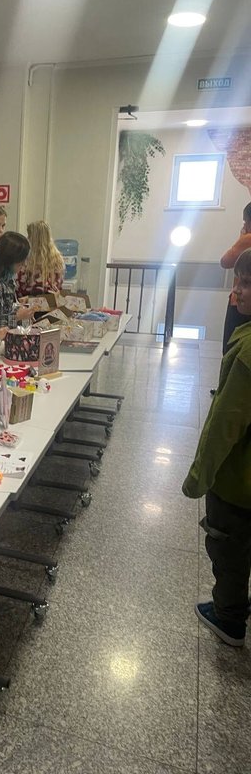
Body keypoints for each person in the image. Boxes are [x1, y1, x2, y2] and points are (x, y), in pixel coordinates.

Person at [182, 248, 251, 647]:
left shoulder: (247, 352)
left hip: (237, 482)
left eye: (245, 284)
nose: (235, 291)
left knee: (228, 547)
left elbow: (225, 424)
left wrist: (199, 476)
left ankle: (229, 618)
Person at [0, 231, 36, 334]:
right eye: (21, 262)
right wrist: (16, 316)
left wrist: (21, 311)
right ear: (9, 260)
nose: (24, 265)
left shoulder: (9, 281)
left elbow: (5, 310)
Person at [220, 202, 251, 355]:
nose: (244, 225)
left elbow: (225, 261)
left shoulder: (248, 239)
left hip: (241, 301)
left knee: (231, 347)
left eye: (245, 221)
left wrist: (242, 237)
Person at [16, 220, 65, 298]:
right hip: (51, 301)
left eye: (29, 236)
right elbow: (59, 286)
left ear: (34, 239)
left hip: (28, 302)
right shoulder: (58, 260)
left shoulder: (26, 261)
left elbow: (19, 288)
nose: (27, 238)